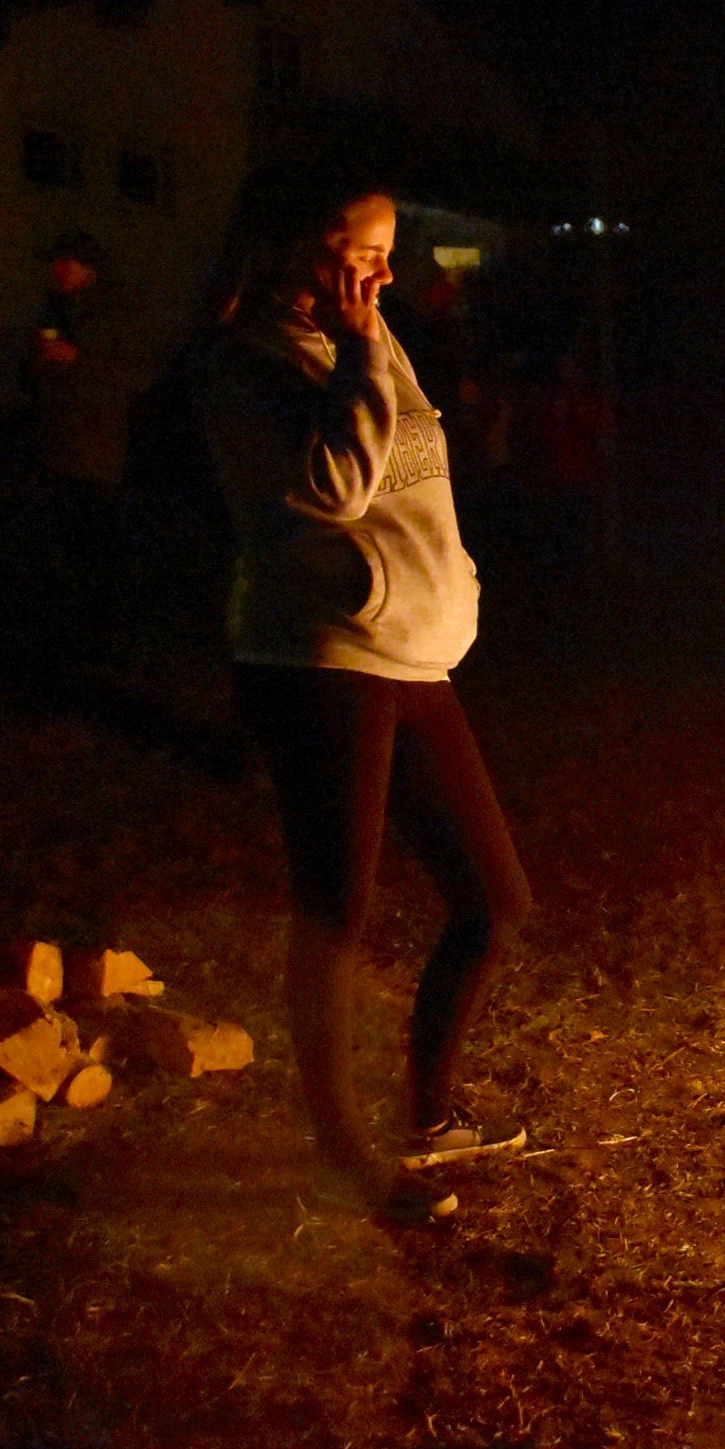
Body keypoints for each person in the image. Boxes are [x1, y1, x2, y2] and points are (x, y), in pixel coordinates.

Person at [194, 175, 532, 1224]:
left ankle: (428, 1115)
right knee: (335, 910)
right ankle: (341, 1152)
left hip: (413, 651)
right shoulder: (244, 362)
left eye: (390, 251)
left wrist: (450, 584)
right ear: (296, 245)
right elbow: (334, 488)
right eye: (365, 250)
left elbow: (416, 469)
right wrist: (354, 355)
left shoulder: (370, 336)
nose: (384, 273)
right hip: (321, 656)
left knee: (494, 900)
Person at [24, 231, 141, 665]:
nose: (58, 271)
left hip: (96, 450)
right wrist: (39, 362)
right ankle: (63, 636)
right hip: (55, 446)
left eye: (66, 262)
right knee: (58, 547)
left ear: (87, 267)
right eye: (55, 263)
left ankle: (100, 638)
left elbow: (132, 374)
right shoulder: (54, 308)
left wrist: (79, 359)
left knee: (94, 546)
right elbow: (31, 374)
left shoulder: (114, 311)